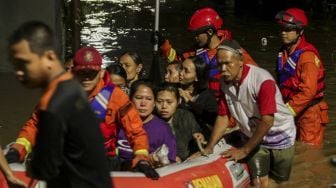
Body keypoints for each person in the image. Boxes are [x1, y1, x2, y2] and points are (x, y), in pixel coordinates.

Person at [6, 46, 159, 180]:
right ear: (73, 71)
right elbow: (34, 125)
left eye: (91, 73)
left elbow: (136, 131)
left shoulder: (117, 97)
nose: (86, 78)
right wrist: (18, 150)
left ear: (101, 72)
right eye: (82, 72)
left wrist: (141, 157)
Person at [7, 21, 112, 188]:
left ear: (49, 57)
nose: (18, 72)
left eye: (23, 63)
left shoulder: (54, 105)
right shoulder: (72, 87)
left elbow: (45, 169)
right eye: (15, 65)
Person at [193, 40, 296, 187]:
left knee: (280, 181)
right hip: (254, 136)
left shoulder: (261, 80)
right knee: (259, 182)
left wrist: (244, 151)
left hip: (281, 134)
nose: (222, 69)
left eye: (227, 63)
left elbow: (268, 121)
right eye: (219, 64)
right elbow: (223, 117)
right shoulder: (224, 83)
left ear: (241, 61)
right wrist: (209, 147)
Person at [154, 7, 257, 98]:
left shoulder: (233, 52)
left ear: (210, 32)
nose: (195, 38)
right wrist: (164, 46)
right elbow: (177, 63)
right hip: (202, 99)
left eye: (197, 34)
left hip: (226, 99)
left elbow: (254, 77)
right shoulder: (195, 51)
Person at [275, 8, 328, 146]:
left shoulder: (307, 57)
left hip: (310, 114)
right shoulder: (283, 53)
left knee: (308, 153)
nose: (283, 32)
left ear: (300, 32)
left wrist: (286, 112)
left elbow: (308, 92)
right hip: (292, 108)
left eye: (288, 29)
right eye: (281, 28)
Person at [117, 79, 176, 167]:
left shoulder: (163, 129)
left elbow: (171, 163)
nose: (143, 103)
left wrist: (157, 162)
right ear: (130, 99)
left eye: (149, 99)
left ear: (154, 102)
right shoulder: (117, 122)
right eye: (138, 98)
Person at [155, 83, 205, 162]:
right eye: (159, 101)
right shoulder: (152, 120)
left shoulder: (186, 116)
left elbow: (197, 133)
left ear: (179, 101)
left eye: (169, 102)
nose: (164, 106)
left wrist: (199, 136)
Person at [178, 56, 218, 139]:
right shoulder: (174, 90)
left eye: (186, 71)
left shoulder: (207, 95)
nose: (181, 73)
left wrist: (189, 102)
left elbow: (212, 120)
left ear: (197, 77)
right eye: (181, 68)